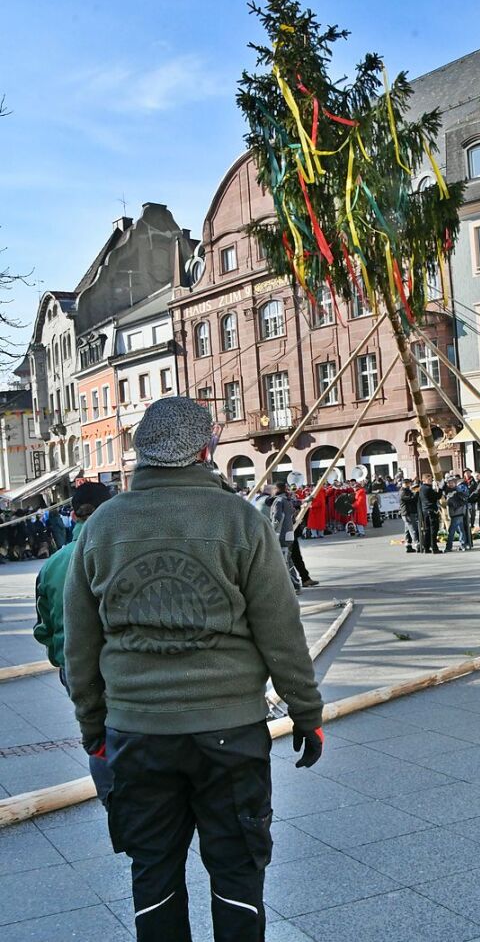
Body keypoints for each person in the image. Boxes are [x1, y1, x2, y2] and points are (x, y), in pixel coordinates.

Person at [63, 396, 323, 941]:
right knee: (236, 874)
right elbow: (281, 629)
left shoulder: (101, 526)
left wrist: (95, 731)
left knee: (153, 876)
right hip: (229, 730)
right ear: (206, 449)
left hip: (136, 731)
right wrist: (306, 712)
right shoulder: (240, 520)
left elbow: (80, 649)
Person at [33, 481, 113, 801]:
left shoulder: (52, 564)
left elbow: (43, 628)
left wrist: (62, 659)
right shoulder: (116, 552)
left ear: (74, 514)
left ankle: (112, 802)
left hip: (74, 667)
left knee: (98, 738)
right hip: (117, 663)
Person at [270, 481, 301, 591]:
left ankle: (293, 585)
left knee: (284, 561)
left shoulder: (279, 501)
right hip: (289, 533)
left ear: (277, 489)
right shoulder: (288, 500)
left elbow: (277, 518)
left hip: (281, 534)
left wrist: (271, 531)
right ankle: (295, 582)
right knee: (288, 559)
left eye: (273, 488)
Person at [417, 472, 442, 554]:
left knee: (427, 530)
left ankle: (426, 547)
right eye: (429, 479)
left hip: (425, 511)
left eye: (431, 479)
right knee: (433, 530)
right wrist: (440, 488)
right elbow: (437, 496)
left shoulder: (421, 488)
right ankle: (434, 547)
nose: (431, 480)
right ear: (424, 480)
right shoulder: (428, 488)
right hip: (431, 510)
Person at [444, 477, 467, 552]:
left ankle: (449, 546)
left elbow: (462, 499)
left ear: (454, 483)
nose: (450, 484)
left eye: (451, 482)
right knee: (461, 529)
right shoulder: (448, 491)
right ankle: (463, 544)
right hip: (456, 512)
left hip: (457, 512)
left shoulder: (457, 490)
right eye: (448, 482)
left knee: (452, 530)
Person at [399, 478, 420, 553]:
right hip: (407, 513)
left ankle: (408, 545)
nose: (409, 484)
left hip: (408, 512)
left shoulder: (407, 490)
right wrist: (416, 492)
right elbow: (411, 499)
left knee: (407, 530)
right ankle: (417, 544)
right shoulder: (403, 492)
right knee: (412, 529)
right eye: (407, 483)